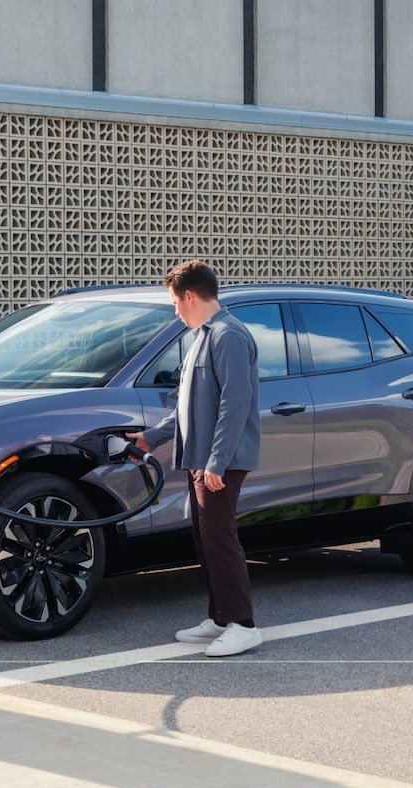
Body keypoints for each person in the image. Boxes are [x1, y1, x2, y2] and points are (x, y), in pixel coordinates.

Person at [127, 259, 262, 657]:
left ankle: (244, 625)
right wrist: (152, 437)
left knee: (219, 537)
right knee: (205, 537)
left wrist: (218, 461)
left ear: (189, 295)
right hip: (201, 458)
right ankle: (220, 617)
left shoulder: (228, 336)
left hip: (219, 460)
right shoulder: (202, 336)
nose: (175, 311)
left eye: (175, 303)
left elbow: (235, 404)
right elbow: (187, 405)